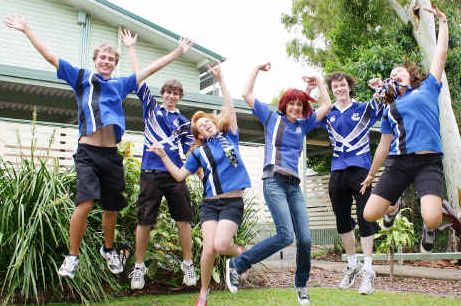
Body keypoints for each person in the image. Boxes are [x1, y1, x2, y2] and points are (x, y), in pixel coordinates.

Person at [4, 16, 193, 279]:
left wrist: (178, 52)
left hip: (111, 154)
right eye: (102, 58)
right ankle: (72, 256)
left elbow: (149, 71)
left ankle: (108, 249)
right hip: (88, 153)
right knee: (85, 201)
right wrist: (27, 29)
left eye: (111, 59)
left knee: (111, 205)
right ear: (95, 60)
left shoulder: (120, 84)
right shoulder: (81, 78)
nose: (106, 62)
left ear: (115, 65)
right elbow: (50, 57)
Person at [225, 62, 331, 306]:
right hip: (273, 181)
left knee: (304, 239)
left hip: (294, 186)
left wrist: (318, 81)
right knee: (286, 236)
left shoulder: (303, 125)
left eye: (299, 104)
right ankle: (238, 263)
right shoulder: (272, 117)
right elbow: (246, 94)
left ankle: (302, 285)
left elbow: (326, 105)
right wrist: (256, 69)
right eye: (292, 103)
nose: (295, 107)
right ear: (285, 105)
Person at [148, 63, 249, 306]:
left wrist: (221, 79)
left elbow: (230, 107)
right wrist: (163, 156)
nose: (206, 124)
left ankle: (242, 255)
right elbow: (180, 176)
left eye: (208, 121)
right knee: (208, 249)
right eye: (201, 126)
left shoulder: (230, 137)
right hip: (209, 205)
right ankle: (203, 293)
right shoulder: (197, 153)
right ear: (200, 134)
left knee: (222, 244)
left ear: (215, 124)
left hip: (232, 202)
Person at [361, 6, 449, 253]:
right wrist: (370, 174)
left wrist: (443, 22)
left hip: (427, 162)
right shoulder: (389, 108)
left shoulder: (428, 87)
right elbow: (383, 144)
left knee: (433, 217)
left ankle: (428, 228)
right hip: (398, 162)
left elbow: (440, 54)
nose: (394, 73)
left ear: (409, 75)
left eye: (397, 71)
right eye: (391, 74)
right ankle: (394, 204)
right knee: (369, 215)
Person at [120, 30, 197, 290]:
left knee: (183, 220)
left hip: (174, 174)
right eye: (168, 92)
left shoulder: (185, 123)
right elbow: (139, 76)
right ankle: (139, 267)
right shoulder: (151, 108)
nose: (172, 96)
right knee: (145, 221)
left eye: (176, 93)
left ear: (180, 96)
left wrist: (198, 172)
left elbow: (190, 154)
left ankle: (188, 264)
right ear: (162, 94)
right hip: (150, 173)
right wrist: (130, 48)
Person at [319, 72, 384, 294]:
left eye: (343, 85)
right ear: (332, 89)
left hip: (361, 170)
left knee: (366, 216)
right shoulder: (328, 112)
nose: (339, 89)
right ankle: (352, 264)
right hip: (338, 170)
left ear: (349, 87)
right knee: (342, 219)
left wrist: (378, 87)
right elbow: (304, 117)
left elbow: (385, 101)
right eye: (335, 86)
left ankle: (368, 269)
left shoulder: (363, 109)